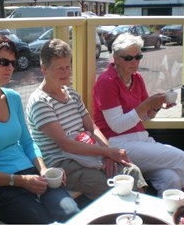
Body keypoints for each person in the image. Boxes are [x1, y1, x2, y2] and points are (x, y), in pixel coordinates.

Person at [0, 35, 80, 224]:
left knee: (71, 213)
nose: (10, 68)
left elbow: (27, 142)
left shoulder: (12, 98)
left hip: (31, 173)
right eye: (4, 62)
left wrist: (44, 170)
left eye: (12, 63)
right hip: (1, 187)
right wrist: (20, 181)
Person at [26, 38, 147, 201]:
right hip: (64, 163)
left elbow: (92, 127)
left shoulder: (72, 94)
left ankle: (140, 215)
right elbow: (66, 145)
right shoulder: (40, 102)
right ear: (43, 69)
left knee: (131, 171)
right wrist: (106, 152)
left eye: (68, 67)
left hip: (89, 152)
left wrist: (108, 153)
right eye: (59, 68)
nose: (66, 73)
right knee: (110, 186)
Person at [92, 33, 184, 203]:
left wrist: (155, 106)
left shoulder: (137, 78)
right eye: (128, 58)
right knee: (181, 158)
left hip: (140, 141)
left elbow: (145, 117)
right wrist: (147, 104)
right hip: (117, 144)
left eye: (138, 57)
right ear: (116, 58)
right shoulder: (106, 82)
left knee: (171, 178)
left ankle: (164, 219)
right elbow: (117, 126)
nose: (135, 62)